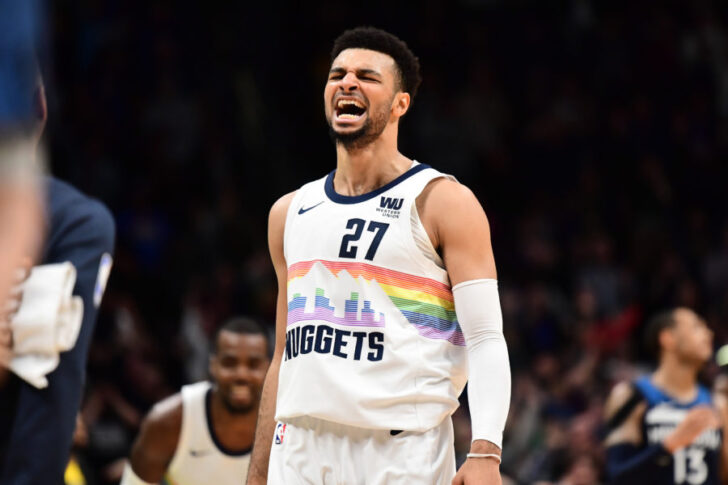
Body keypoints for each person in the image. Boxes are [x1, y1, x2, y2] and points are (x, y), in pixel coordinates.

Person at [246, 26, 511, 485]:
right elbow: (282, 358)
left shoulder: (442, 201)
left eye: (366, 76)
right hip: (301, 449)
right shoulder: (288, 212)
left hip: (400, 451)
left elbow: (486, 336)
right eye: (337, 75)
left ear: (400, 104)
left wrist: (486, 449)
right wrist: (258, 472)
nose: (347, 83)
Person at [0, 71, 116, 484]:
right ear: (39, 109)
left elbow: (47, 405)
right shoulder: (74, 222)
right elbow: (46, 418)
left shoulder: (69, 224)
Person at [121, 317, 270, 485]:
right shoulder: (168, 422)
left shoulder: (285, 424)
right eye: (230, 363)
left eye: (253, 365)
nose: (241, 374)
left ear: (268, 367)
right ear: (213, 365)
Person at [603, 307, 728, 484]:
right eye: (696, 327)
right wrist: (669, 445)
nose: (708, 334)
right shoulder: (632, 396)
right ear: (667, 338)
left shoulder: (718, 404)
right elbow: (616, 475)